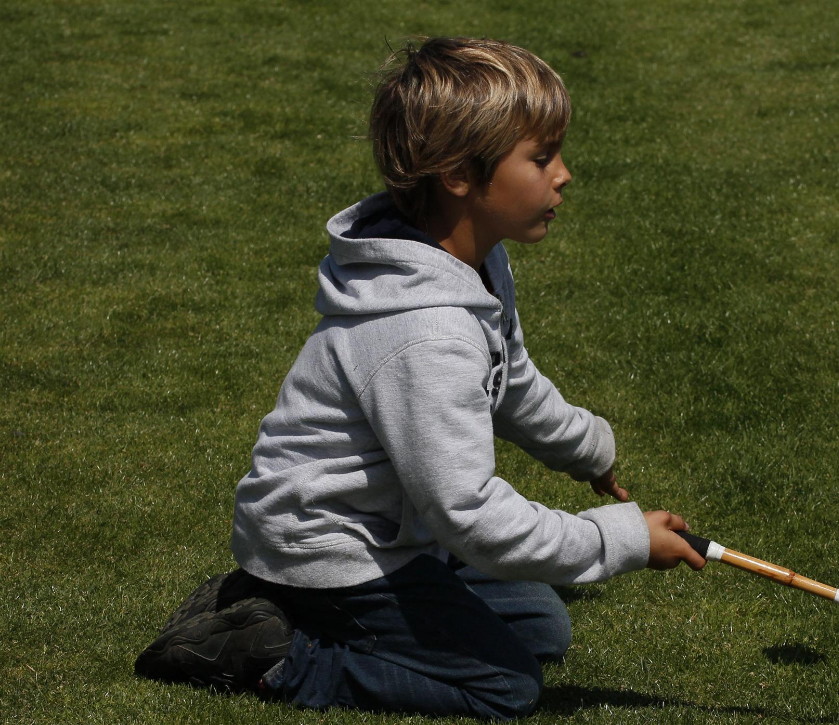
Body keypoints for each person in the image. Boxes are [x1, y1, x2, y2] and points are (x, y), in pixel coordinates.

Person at [135, 36, 705, 720]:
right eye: (542, 157)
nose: (565, 175)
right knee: (507, 686)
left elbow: (510, 379)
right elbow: (469, 515)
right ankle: (278, 653)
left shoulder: (473, 261)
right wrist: (622, 539)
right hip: (331, 548)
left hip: (391, 531)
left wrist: (587, 447)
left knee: (541, 625)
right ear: (459, 176)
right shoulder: (427, 333)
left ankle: (271, 603)